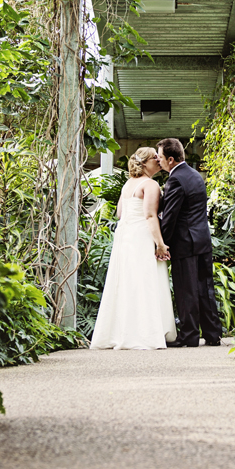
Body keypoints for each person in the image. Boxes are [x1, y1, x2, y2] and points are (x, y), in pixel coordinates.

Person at [90, 147, 176, 350]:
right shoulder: (150, 184)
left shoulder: (128, 184)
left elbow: (120, 213)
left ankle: (121, 331)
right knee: (144, 281)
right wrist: (160, 244)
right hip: (142, 236)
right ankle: (144, 333)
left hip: (125, 235)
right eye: (155, 158)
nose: (158, 160)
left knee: (127, 282)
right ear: (145, 163)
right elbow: (149, 216)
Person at [156, 138, 222, 348]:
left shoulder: (175, 180)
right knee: (205, 287)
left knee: (187, 290)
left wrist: (162, 244)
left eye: (160, 158)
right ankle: (213, 334)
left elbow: (171, 216)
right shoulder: (194, 175)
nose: (159, 162)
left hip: (185, 243)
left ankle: (190, 335)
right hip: (202, 240)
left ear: (171, 159)